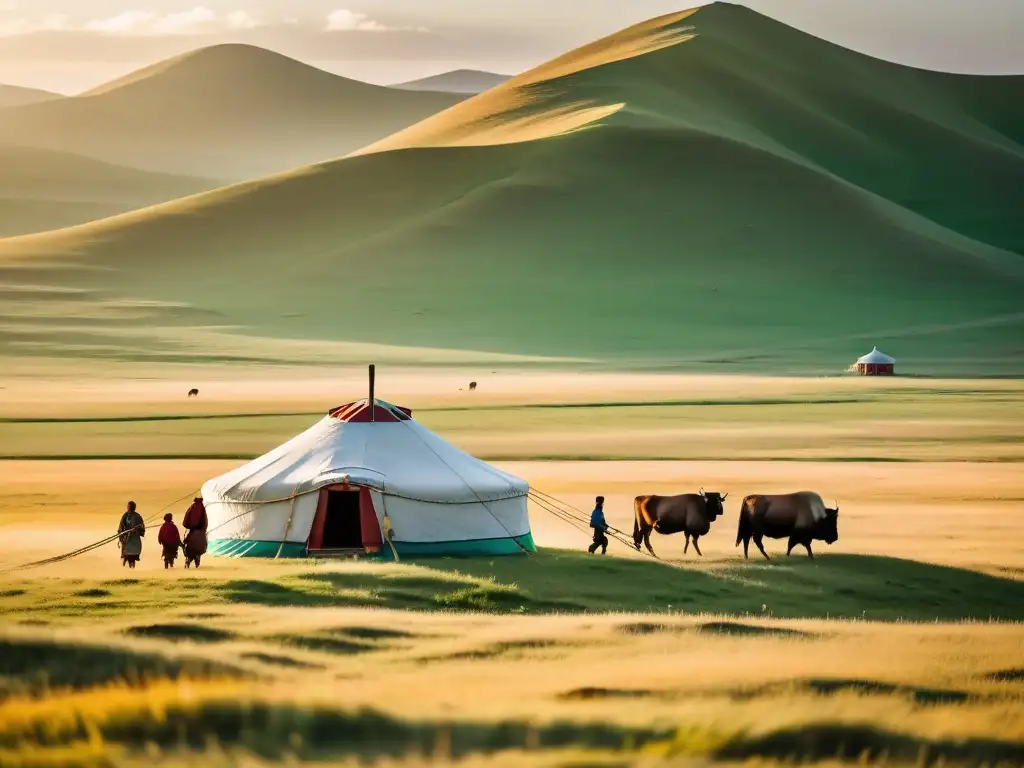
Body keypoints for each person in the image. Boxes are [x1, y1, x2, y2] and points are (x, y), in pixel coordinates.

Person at [117, 501, 146, 569]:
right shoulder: (125, 516)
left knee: (132, 557)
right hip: (126, 538)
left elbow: (142, 527)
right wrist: (121, 534)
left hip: (134, 540)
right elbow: (121, 527)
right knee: (125, 556)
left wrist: (136, 529)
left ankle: (131, 569)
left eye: (130, 507)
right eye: (128, 506)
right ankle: (124, 569)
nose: (129, 508)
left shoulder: (137, 516)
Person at [182, 497, 208, 569]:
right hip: (200, 532)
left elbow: (186, 518)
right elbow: (205, 521)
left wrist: (187, 525)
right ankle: (197, 559)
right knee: (200, 547)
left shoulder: (192, 508)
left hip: (192, 531)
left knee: (189, 546)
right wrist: (204, 529)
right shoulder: (202, 509)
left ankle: (188, 560)